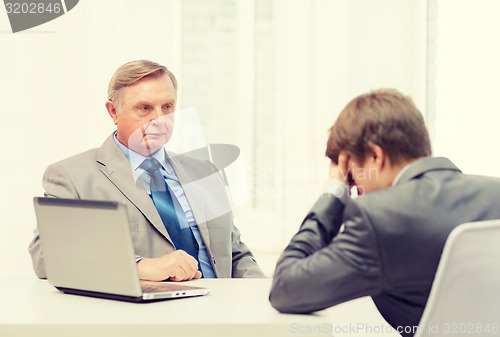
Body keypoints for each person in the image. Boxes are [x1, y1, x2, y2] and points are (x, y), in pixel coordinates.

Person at [268, 89, 500, 337]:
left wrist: (335, 192)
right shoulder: (494, 193)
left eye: (352, 176)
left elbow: (286, 288)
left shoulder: (377, 218)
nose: (355, 189)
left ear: (375, 156)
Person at [29, 60, 264, 281]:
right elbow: (45, 256)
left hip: (222, 313)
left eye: (167, 107)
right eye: (144, 108)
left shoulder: (205, 172)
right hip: (144, 318)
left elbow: (235, 254)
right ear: (113, 112)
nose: (159, 119)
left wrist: (262, 294)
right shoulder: (73, 177)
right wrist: (140, 266)